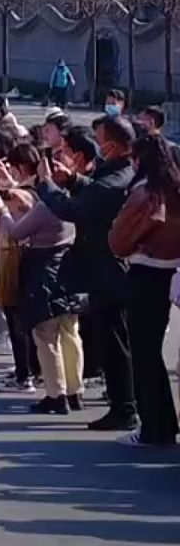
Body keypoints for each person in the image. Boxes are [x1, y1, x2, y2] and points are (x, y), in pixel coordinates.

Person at [32, 120, 138, 431]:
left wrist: (47, 184)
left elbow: (75, 209)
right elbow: (90, 192)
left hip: (110, 269)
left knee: (116, 342)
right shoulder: (113, 172)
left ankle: (125, 408)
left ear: (115, 145)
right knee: (111, 339)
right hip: (104, 267)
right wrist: (75, 179)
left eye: (101, 140)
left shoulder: (119, 176)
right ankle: (124, 406)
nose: (97, 145)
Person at [0, 143, 84, 413]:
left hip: (42, 269)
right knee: (70, 332)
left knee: (46, 334)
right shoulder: (70, 202)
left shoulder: (46, 207)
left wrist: (3, 211)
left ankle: (56, 394)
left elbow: (17, 233)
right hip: (68, 267)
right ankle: (75, 390)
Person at [105, 133, 180, 447]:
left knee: (144, 354)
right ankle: (165, 421)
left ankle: (153, 427)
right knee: (153, 353)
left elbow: (119, 238)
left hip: (144, 269)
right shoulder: (174, 187)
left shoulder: (144, 191)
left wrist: (122, 241)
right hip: (167, 271)